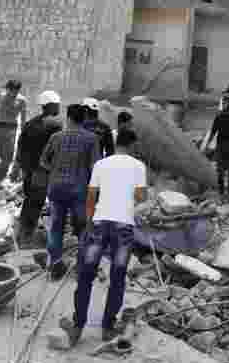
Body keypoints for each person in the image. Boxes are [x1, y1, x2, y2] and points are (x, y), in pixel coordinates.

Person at [57, 128, 147, 347]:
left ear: (116, 143)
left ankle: (78, 326)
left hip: (99, 223)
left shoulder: (101, 164)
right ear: (133, 145)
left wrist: (89, 221)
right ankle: (107, 327)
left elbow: (91, 196)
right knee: (117, 277)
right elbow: (141, 197)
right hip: (123, 226)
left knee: (86, 274)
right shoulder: (138, 166)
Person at [40, 104, 100, 279]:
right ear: (85, 119)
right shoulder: (91, 139)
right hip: (79, 190)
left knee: (56, 227)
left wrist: (55, 170)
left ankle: (56, 265)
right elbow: (96, 166)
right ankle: (81, 268)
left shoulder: (56, 137)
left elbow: (43, 161)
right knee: (82, 228)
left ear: (68, 117)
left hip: (56, 188)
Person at [15, 90, 63, 247]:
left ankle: (22, 230)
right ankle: (27, 237)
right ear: (51, 106)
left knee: (30, 200)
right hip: (42, 171)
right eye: (57, 105)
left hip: (29, 169)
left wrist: (19, 166)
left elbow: (20, 146)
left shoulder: (30, 123)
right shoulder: (56, 125)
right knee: (36, 202)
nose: (59, 107)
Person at [0, 79, 28, 187]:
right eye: (10, 90)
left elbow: (23, 118)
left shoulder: (22, 101)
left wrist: (24, 133)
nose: (12, 93)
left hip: (10, 131)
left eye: (15, 91)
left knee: (7, 158)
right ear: (7, 89)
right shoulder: (0, 97)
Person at [203, 96, 229, 199]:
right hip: (220, 145)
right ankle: (221, 193)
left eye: (226, 103)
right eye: (223, 103)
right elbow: (213, 132)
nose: (224, 105)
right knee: (220, 171)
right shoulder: (219, 117)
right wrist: (206, 145)